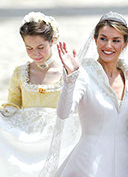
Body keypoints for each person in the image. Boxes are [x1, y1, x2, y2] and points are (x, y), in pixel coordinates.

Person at [53, 11, 128, 177]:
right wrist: (70, 78)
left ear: (124, 44)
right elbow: (63, 112)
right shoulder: (83, 74)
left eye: (116, 40)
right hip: (88, 165)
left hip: (123, 163)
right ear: (95, 40)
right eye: (103, 39)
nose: (108, 46)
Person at [0, 12, 78, 177]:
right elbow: (13, 104)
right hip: (26, 140)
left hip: (57, 139)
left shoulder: (66, 71)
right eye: (29, 48)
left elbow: (76, 106)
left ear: (52, 41)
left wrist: (72, 74)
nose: (35, 54)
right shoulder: (20, 72)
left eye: (40, 47)